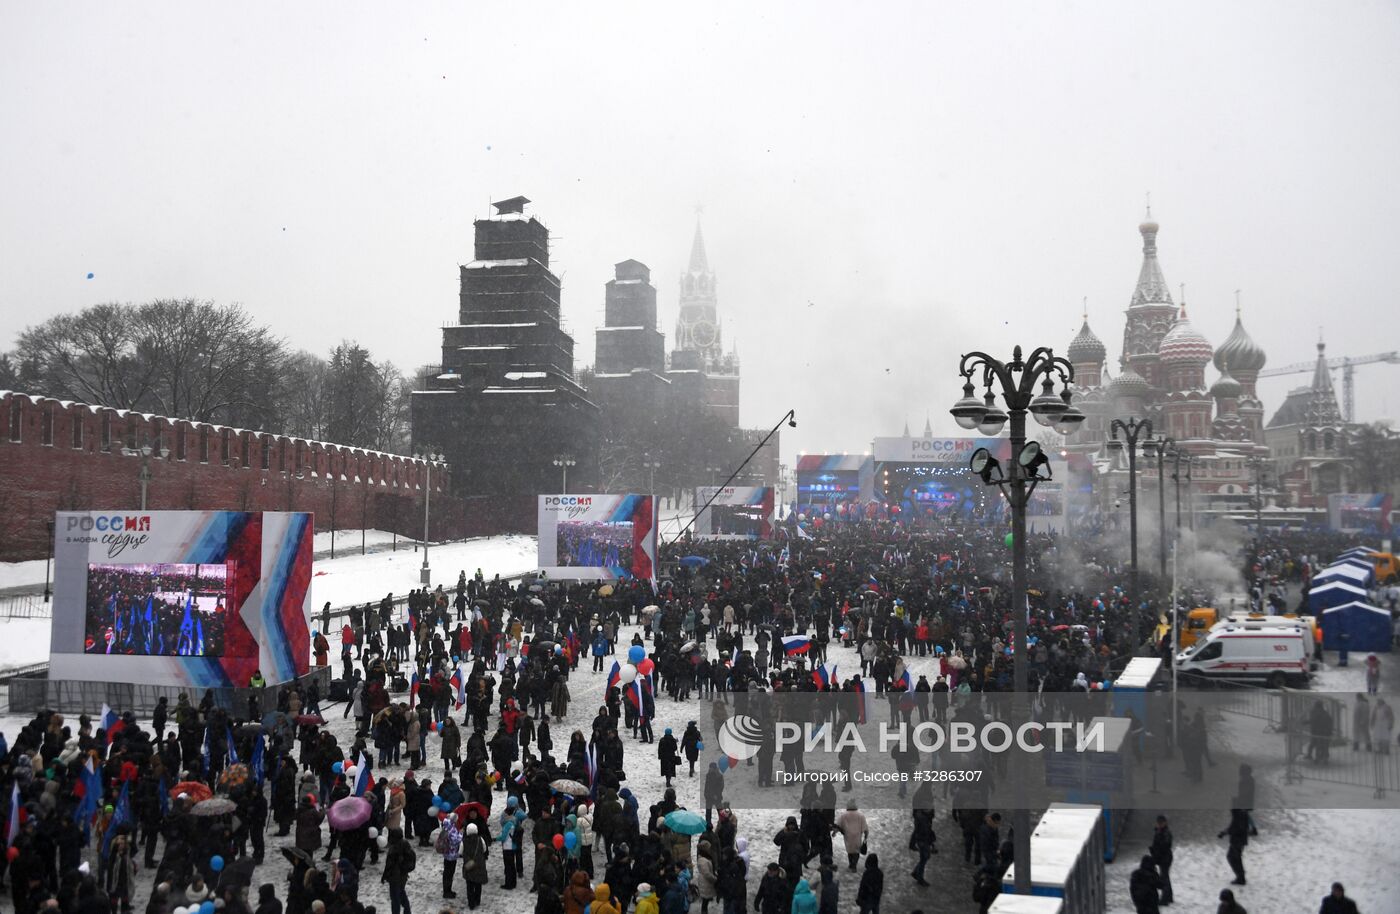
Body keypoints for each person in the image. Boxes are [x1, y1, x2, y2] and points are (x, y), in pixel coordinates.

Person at [383, 828, 416, 914]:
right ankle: (407, 910)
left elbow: (389, 864)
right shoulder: (405, 844)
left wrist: (385, 875)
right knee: (401, 893)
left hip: (395, 876)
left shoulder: (395, 848)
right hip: (402, 875)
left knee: (395, 898)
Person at [1217, 808, 1249, 885]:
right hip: (1240, 839)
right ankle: (1241, 877)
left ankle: (1241, 878)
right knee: (1235, 858)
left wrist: (1224, 833)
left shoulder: (1238, 813)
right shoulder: (1241, 812)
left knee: (1233, 857)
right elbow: (1236, 826)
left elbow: (1235, 827)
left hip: (1237, 840)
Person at [834, 801, 867, 871]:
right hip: (857, 836)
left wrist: (834, 832)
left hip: (848, 836)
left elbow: (838, 825)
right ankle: (854, 865)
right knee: (856, 851)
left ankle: (851, 864)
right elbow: (865, 827)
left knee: (850, 850)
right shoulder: (860, 815)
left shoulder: (843, 815)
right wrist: (866, 835)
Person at [1149, 815, 1173, 905]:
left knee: (1164, 878)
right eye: (1159, 823)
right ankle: (1169, 897)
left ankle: (1165, 899)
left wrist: (1156, 849)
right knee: (1165, 876)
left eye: (1161, 823)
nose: (1159, 825)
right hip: (1162, 857)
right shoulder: (1159, 832)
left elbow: (1165, 845)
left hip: (1165, 858)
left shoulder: (1165, 833)